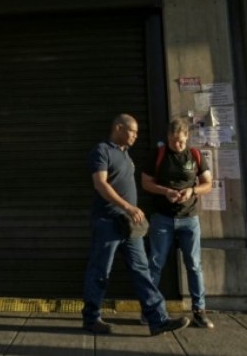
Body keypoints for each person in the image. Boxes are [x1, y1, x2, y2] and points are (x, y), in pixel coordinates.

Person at [82, 114, 190, 336]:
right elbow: (100, 184)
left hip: (130, 225)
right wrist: (128, 207)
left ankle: (157, 320)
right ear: (119, 128)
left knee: (142, 271)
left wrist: (131, 212)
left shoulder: (125, 154)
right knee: (100, 271)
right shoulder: (102, 150)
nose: (136, 136)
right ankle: (91, 319)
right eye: (132, 132)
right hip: (107, 222)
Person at [141, 116, 215, 329]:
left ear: (187, 137)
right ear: (168, 137)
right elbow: (145, 183)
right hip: (162, 218)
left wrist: (192, 190)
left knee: (194, 265)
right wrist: (166, 192)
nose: (177, 145)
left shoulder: (195, 155)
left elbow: (208, 183)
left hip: (189, 219)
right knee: (155, 264)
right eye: (174, 141)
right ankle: (150, 311)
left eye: (181, 141)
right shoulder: (158, 154)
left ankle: (199, 311)